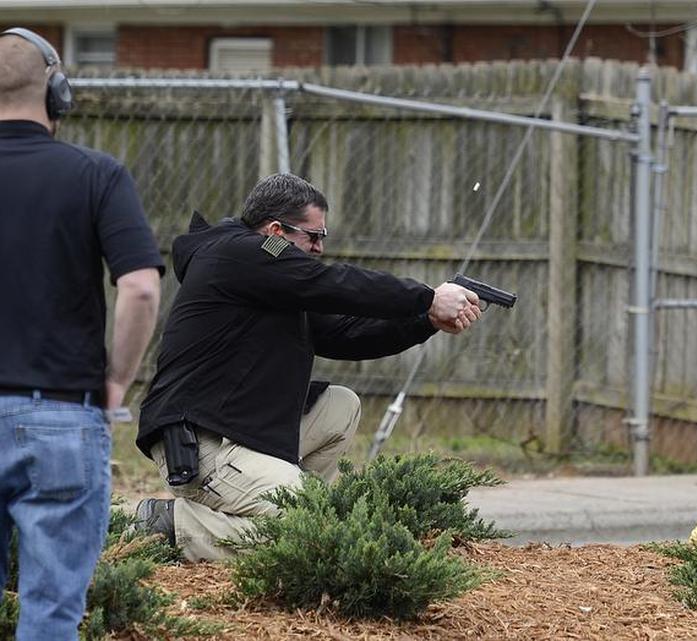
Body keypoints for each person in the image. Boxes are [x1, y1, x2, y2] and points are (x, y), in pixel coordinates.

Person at [134, 172, 480, 561]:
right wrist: (427, 298)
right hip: (203, 446)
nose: (318, 248)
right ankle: (170, 525)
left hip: (241, 436)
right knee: (313, 532)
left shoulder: (266, 280)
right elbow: (337, 283)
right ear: (276, 231)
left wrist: (425, 321)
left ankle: (276, 506)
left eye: (322, 238)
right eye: (312, 236)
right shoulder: (239, 254)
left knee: (340, 405)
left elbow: (346, 334)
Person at [0, 28, 164, 639]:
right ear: (57, 93)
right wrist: (117, 379)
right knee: (51, 614)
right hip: (61, 416)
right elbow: (142, 288)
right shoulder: (96, 174)